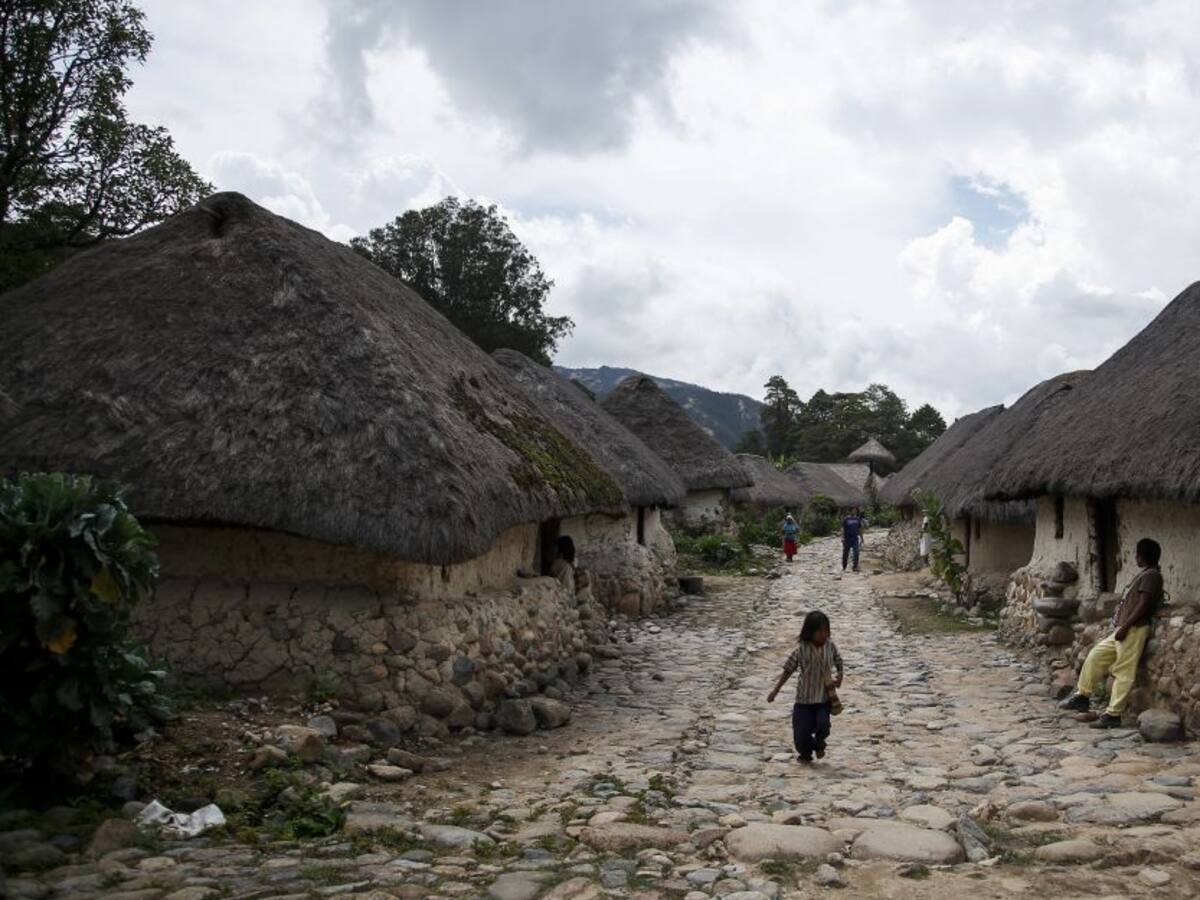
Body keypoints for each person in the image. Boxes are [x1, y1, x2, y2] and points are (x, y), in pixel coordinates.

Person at [1058, 538, 1164, 729]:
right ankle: (1082, 695)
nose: (1135, 558)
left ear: (1141, 556)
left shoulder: (1152, 577)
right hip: (1123, 628)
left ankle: (1113, 714)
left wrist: (1126, 626)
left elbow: (1144, 604)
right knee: (1095, 656)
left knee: (1124, 671)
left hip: (1134, 628)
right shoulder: (1145, 574)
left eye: (1137, 555)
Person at [767, 610, 844, 763]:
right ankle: (807, 752)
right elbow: (788, 669)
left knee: (823, 725)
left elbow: (838, 661)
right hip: (804, 700)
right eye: (819, 631)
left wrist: (840, 675)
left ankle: (820, 742)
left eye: (826, 631)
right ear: (809, 632)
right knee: (801, 734)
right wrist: (776, 690)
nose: (823, 635)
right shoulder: (801, 650)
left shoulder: (830, 647)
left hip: (823, 699)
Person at [841, 507, 867, 572]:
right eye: (853, 510)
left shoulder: (857, 519)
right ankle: (844, 566)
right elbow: (843, 529)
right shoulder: (846, 519)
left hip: (855, 539)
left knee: (856, 552)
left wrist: (862, 538)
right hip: (847, 539)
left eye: (855, 511)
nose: (854, 512)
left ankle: (855, 567)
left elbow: (859, 529)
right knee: (845, 553)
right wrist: (842, 537)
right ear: (850, 511)